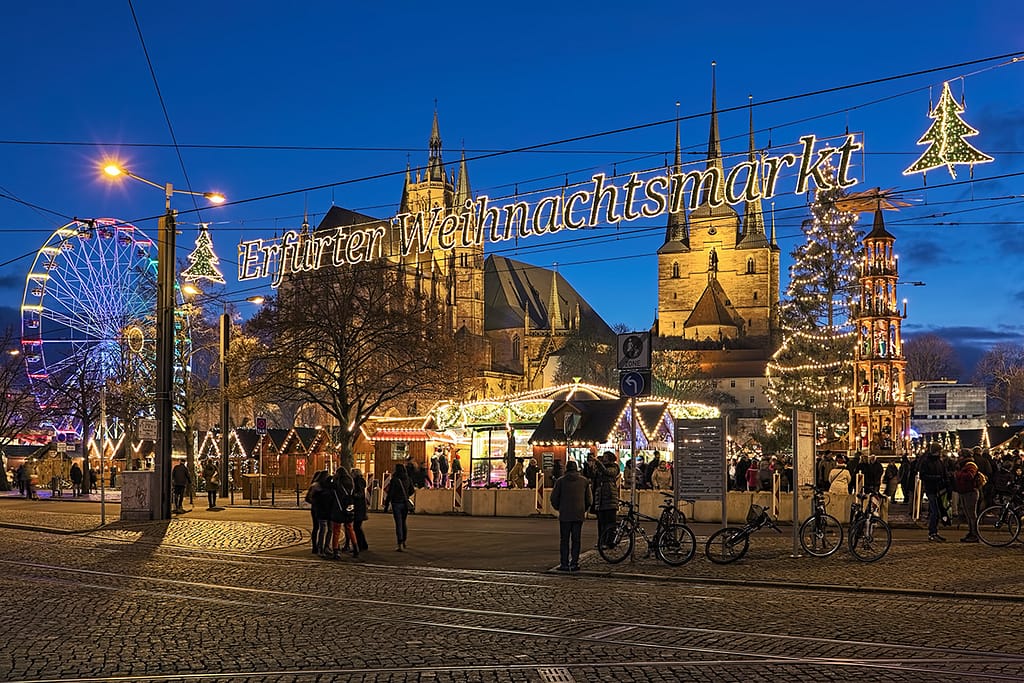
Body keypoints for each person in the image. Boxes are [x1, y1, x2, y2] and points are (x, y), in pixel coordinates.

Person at [550, 460, 592, 572]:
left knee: (564, 540)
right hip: (579, 513)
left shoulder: (560, 481)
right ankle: (574, 563)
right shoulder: (584, 481)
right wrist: (584, 509)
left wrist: (559, 508)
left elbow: (554, 498)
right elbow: (589, 499)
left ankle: (564, 563)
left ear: (566, 469)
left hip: (565, 514)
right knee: (576, 539)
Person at [919, 443, 950, 542]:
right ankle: (932, 533)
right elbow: (923, 476)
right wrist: (936, 478)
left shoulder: (939, 462)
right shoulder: (926, 462)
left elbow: (944, 473)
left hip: (939, 489)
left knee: (938, 512)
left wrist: (946, 481)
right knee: (934, 512)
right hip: (931, 489)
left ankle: (935, 532)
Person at [592, 451, 620, 547]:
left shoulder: (614, 467)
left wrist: (598, 463)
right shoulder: (601, 467)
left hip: (610, 498)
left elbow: (607, 472)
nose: (603, 459)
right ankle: (601, 541)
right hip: (601, 499)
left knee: (610, 523)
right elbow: (594, 475)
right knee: (601, 522)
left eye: (605, 457)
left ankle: (610, 542)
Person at [329, 467, 358, 559]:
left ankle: (335, 551)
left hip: (338, 509)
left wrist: (332, 478)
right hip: (349, 508)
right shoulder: (351, 482)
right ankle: (356, 548)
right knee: (350, 528)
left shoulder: (337, 483)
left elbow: (330, 489)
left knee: (336, 530)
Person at [383, 464, 413, 551]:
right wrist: (406, 496)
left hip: (396, 503)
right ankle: (404, 541)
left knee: (398, 524)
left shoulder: (395, 480)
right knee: (403, 522)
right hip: (405, 503)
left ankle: (399, 543)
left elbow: (390, 493)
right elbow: (412, 490)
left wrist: (386, 504)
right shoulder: (408, 479)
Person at [954, 459, 984, 543]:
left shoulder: (971, 465)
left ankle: (974, 534)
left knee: (971, 514)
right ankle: (971, 532)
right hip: (964, 492)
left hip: (970, 492)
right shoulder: (964, 467)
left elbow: (970, 476)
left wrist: (958, 474)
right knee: (967, 514)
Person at [304, 471, 328, 555]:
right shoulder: (316, 486)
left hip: (316, 508)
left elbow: (307, 498)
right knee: (318, 527)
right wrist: (316, 502)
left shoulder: (318, 485)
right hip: (317, 509)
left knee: (317, 527)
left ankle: (316, 546)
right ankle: (316, 546)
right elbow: (307, 498)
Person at [351, 467, 370, 553]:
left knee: (356, 527)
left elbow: (360, 494)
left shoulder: (357, 482)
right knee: (358, 527)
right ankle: (363, 544)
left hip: (358, 506)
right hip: (361, 506)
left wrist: (353, 495)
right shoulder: (361, 481)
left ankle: (360, 545)